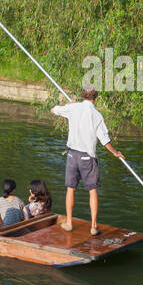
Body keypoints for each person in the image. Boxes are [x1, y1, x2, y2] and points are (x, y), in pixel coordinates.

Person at [52, 88, 124, 235]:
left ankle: (69, 222)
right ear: (95, 97)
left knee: (70, 189)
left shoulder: (73, 108)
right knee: (92, 191)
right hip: (87, 158)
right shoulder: (96, 115)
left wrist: (68, 105)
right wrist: (115, 153)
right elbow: (105, 140)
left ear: (82, 94)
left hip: (72, 155)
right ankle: (93, 226)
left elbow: (53, 110)